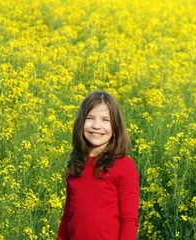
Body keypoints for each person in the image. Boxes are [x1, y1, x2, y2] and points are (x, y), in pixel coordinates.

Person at [58, 90, 139, 240]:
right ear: (80, 123)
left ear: (116, 126)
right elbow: (68, 216)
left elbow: (129, 221)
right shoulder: (76, 165)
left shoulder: (124, 166)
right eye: (90, 118)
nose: (96, 125)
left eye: (105, 120)